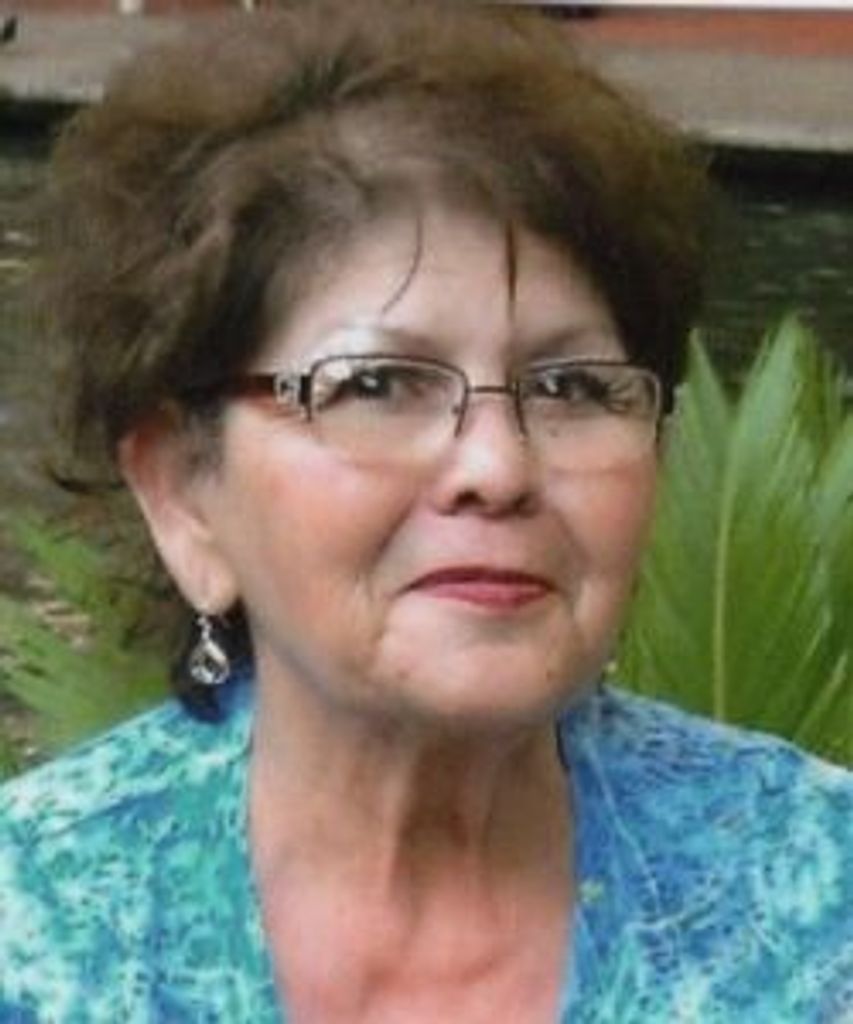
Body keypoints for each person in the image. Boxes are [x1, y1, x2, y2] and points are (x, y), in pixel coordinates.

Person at [1, 2, 850, 1020]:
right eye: (377, 386)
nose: (498, 466)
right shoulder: (36, 938)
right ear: (183, 492)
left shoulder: (816, 907)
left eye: (572, 387)